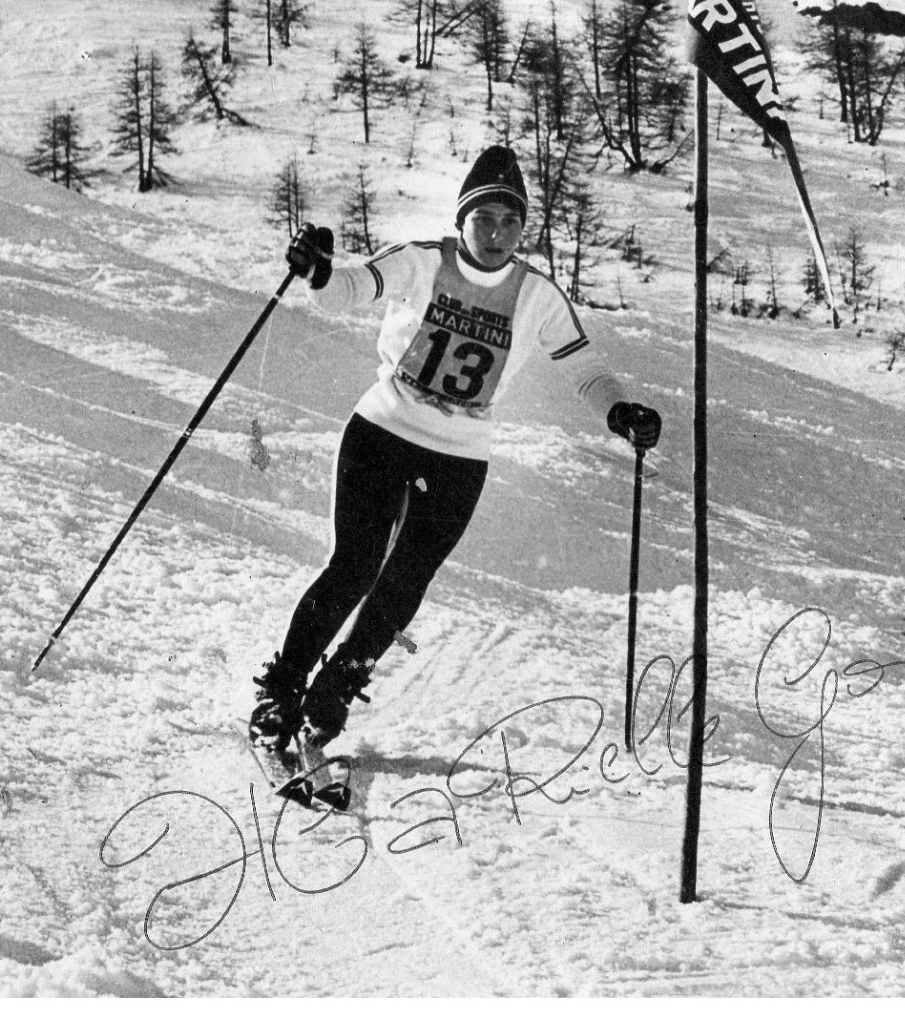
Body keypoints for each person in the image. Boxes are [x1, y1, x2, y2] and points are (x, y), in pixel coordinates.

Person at [249, 144, 662, 758]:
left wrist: (618, 410)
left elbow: (584, 366)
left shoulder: (536, 295)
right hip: (383, 431)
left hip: (460, 457)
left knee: (407, 581)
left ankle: (334, 688)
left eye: (511, 222)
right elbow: (354, 288)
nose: (497, 235)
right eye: (484, 219)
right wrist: (318, 273)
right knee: (356, 565)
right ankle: (280, 691)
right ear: (461, 218)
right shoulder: (422, 261)